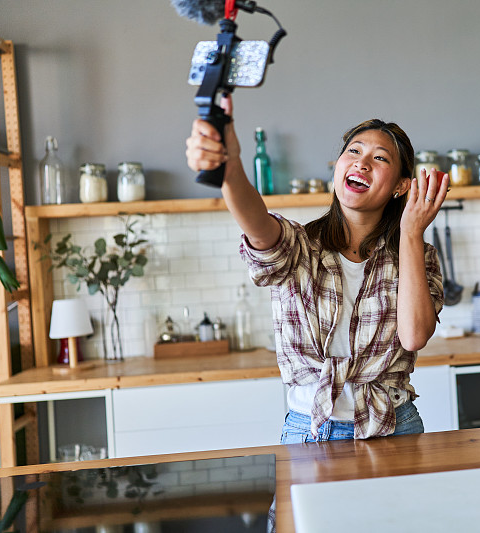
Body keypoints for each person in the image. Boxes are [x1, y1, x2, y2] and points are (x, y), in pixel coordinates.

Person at [185, 98, 450, 442]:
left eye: (380, 158)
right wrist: (231, 167)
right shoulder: (300, 246)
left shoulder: (417, 255)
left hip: (395, 426)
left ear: (401, 185)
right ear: (338, 166)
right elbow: (258, 227)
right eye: (354, 151)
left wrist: (412, 232)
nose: (362, 163)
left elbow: (414, 336)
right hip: (309, 430)